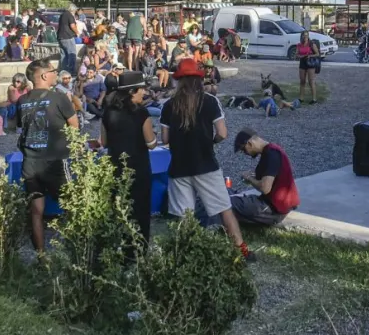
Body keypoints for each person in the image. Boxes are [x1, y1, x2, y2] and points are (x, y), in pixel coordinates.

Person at [160, 58, 253, 260]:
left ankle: (185, 256)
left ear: (179, 81)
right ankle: (241, 250)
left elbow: (165, 139)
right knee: (224, 208)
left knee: (183, 215)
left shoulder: (168, 105)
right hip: (206, 164)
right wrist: (211, 141)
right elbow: (222, 133)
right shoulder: (210, 101)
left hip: (179, 166)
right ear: (199, 79)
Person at [17, 59, 79, 251]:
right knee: (72, 205)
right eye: (54, 71)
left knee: (36, 211)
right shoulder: (59, 97)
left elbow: (21, 127)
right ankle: (77, 251)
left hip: (30, 163)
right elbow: (74, 127)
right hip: (55, 162)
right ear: (44, 76)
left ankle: (41, 256)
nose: (56, 74)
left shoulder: (22, 101)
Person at [100, 70, 157, 242]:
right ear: (132, 91)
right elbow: (151, 143)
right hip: (138, 167)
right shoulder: (142, 113)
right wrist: (154, 135)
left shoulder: (108, 112)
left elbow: (104, 142)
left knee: (119, 208)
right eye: (141, 89)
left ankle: (119, 246)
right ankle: (139, 247)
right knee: (140, 209)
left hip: (116, 166)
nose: (144, 92)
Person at [231, 127, 300, 225]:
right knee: (233, 200)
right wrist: (254, 177)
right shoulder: (271, 150)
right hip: (275, 205)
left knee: (227, 204)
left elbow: (265, 188)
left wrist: (249, 178)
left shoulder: (271, 154)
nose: (245, 153)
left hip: (274, 210)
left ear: (249, 143)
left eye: (243, 149)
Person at [296, 31, 318, 104]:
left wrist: (310, 56)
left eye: (307, 35)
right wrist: (300, 56)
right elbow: (297, 54)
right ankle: (301, 98)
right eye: (304, 35)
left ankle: (314, 99)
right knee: (302, 81)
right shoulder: (299, 45)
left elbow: (317, 54)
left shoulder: (311, 44)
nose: (305, 37)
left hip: (310, 63)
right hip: (302, 62)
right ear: (301, 36)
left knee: (311, 81)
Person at [57, 3, 79, 75]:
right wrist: (77, 32)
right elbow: (72, 26)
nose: (75, 12)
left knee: (63, 55)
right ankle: (72, 71)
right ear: (72, 10)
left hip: (60, 37)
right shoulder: (70, 15)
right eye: (75, 11)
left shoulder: (62, 15)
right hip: (68, 37)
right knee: (72, 54)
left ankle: (63, 72)